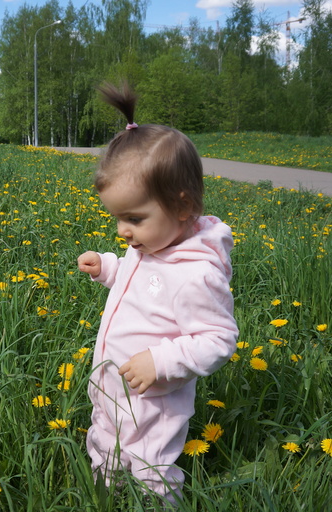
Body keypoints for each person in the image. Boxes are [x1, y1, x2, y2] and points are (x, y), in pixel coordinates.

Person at [77, 81, 238, 503]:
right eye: (116, 218)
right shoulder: (150, 244)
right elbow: (138, 282)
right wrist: (108, 266)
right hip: (114, 384)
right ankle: (104, 492)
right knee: (106, 443)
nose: (122, 231)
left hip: (155, 398)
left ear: (182, 207)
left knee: (151, 468)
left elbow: (219, 340)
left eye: (133, 217)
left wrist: (161, 361)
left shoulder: (195, 274)